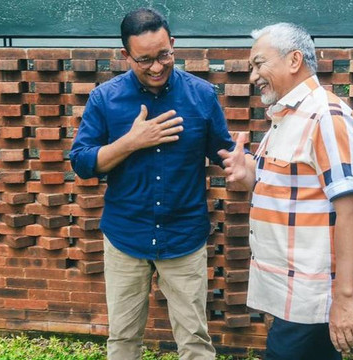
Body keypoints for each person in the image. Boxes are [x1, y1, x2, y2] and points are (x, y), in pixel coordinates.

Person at [70, 8, 235, 360]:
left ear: (173, 44)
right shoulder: (105, 99)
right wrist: (131, 142)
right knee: (123, 340)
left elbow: (224, 152)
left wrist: (243, 163)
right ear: (125, 56)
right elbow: (82, 162)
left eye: (164, 55)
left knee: (195, 341)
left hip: (184, 237)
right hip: (125, 237)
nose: (158, 67)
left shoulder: (202, 95)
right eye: (145, 59)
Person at [218, 23, 353, 359]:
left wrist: (345, 298)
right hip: (287, 293)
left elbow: (352, 210)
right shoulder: (285, 118)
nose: (253, 76)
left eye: (259, 64)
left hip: (311, 296)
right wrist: (247, 174)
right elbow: (286, 188)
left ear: (294, 60)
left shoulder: (326, 117)